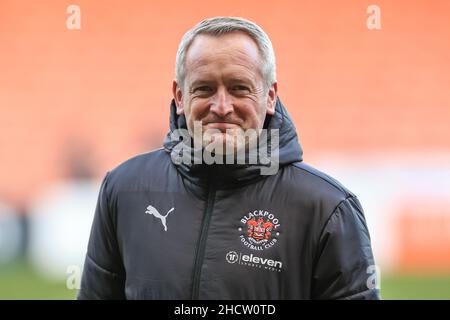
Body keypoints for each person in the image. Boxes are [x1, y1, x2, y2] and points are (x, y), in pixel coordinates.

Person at [78, 16, 380, 300]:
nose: (221, 106)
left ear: (270, 96)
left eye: (239, 88)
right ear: (180, 96)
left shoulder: (327, 207)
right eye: (205, 88)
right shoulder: (124, 188)